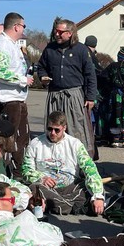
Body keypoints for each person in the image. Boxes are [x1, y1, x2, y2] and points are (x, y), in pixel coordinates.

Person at [0, 13, 33, 174]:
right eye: (23, 26)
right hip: (6, 101)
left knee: (20, 139)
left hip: (15, 99)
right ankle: (5, 173)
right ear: (16, 26)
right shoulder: (3, 45)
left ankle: (17, 172)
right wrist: (22, 80)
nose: (23, 29)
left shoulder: (11, 44)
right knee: (7, 142)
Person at [22, 111, 105, 216]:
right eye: (49, 129)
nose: (52, 133)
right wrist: (41, 178)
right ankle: (74, 206)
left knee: (93, 189)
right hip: (46, 188)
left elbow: (90, 169)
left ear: (64, 128)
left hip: (71, 187)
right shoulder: (35, 143)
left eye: (57, 130)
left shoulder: (75, 144)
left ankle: (55, 205)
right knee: (34, 189)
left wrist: (97, 196)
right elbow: (26, 171)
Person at [37, 18, 98, 158]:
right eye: (56, 31)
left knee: (76, 129)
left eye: (60, 32)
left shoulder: (81, 49)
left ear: (70, 33)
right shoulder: (49, 49)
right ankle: (53, 159)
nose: (56, 34)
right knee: (54, 129)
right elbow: (41, 67)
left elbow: (90, 75)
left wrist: (90, 97)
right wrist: (43, 76)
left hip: (74, 96)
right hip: (54, 96)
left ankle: (79, 161)